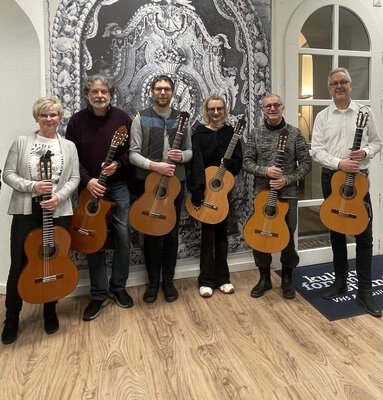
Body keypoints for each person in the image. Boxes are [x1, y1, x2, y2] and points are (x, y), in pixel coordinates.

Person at [1, 97, 80, 344]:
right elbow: (8, 174)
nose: (49, 119)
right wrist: (33, 186)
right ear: (37, 117)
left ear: (60, 117)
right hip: (27, 210)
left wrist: (58, 197)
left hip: (58, 210)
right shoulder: (22, 142)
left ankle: (50, 312)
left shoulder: (68, 146)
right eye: (44, 115)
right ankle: (11, 320)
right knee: (19, 265)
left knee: (53, 260)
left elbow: (75, 178)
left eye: (53, 115)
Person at [311, 67, 383, 317]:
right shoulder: (322, 117)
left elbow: (377, 142)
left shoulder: (365, 112)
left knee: (364, 235)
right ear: (329, 88)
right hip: (332, 177)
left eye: (343, 82)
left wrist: (364, 153)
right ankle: (340, 281)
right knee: (336, 231)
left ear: (350, 85)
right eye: (334, 83)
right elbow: (316, 150)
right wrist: (339, 163)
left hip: (359, 180)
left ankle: (364, 291)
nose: (339, 86)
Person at [65, 74, 133, 321]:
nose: (100, 95)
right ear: (87, 95)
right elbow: (72, 159)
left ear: (110, 94)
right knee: (91, 236)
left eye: (104, 91)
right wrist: (88, 181)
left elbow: (131, 153)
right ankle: (98, 294)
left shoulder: (122, 119)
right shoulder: (76, 122)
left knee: (123, 233)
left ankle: (118, 287)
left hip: (117, 186)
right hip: (90, 189)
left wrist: (117, 163)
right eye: (95, 92)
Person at [129, 74, 192, 303]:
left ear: (172, 92)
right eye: (158, 89)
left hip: (175, 184)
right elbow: (132, 154)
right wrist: (154, 165)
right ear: (152, 92)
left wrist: (181, 156)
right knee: (151, 234)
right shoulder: (140, 118)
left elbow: (190, 152)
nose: (162, 92)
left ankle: (169, 281)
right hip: (148, 184)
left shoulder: (182, 119)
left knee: (172, 235)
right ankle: (153, 282)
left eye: (166, 89)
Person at [243, 93, 311, 299]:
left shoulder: (295, 133)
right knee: (259, 236)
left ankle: (287, 278)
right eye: (268, 106)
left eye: (276, 105)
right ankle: (264, 278)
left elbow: (307, 163)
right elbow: (246, 163)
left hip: (287, 195)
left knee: (287, 237)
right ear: (263, 110)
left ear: (282, 108)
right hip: (262, 195)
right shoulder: (255, 133)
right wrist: (265, 171)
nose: (272, 109)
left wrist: (287, 179)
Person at [188, 94, 243, 297]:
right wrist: (197, 191)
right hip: (205, 191)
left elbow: (238, 161)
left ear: (224, 110)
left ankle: (223, 278)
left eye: (219, 109)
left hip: (223, 192)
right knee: (207, 236)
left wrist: (230, 165)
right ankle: (205, 280)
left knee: (222, 236)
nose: (216, 113)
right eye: (212, 109)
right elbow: (196, 165)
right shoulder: (199, 134)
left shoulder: (231, 133)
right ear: (207, 111)